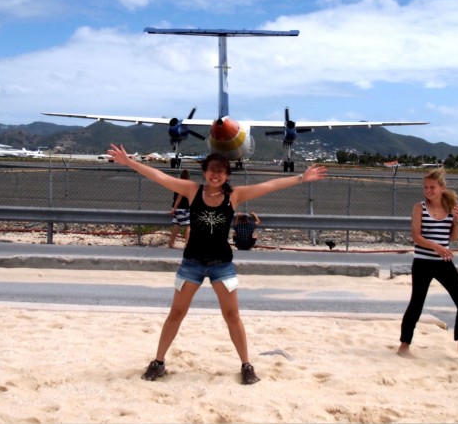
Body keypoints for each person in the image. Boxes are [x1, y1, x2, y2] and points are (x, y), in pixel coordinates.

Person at [106, 143, 328, 385]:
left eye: (220, 171)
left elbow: (268, 186)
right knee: (176, 314)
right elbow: (159, 176)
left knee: (232, 316)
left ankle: (246, 365)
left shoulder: (234, 196)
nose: (216, 174)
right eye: (212, 170)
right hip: (191, 263)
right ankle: (158, 362)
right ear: (205, 172)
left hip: (222, 265)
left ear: (227, 175)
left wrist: (301, 178)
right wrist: (129, 162)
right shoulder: (192, 191)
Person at [397, 168, 458, 360]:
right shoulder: (419, 207)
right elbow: (416, 236)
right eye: (425, 187)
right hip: (422, 262)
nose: (428, 190)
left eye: (432, 187)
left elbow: (453, 237)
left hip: (443, 262)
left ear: (442, 188)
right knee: (416, 304)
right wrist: (436, 247)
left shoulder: (451, 205)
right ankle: (404, 346)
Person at [168, 170, 191, 249]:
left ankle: (171, 243)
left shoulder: (177, 183)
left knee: (177, 225)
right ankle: (187, 244)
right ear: (188, 177)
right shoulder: (184, 185)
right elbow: (179, 197)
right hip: (182, 208)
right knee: (189, 225)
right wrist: (174, 209)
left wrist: (174, 208)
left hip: (176, 208)